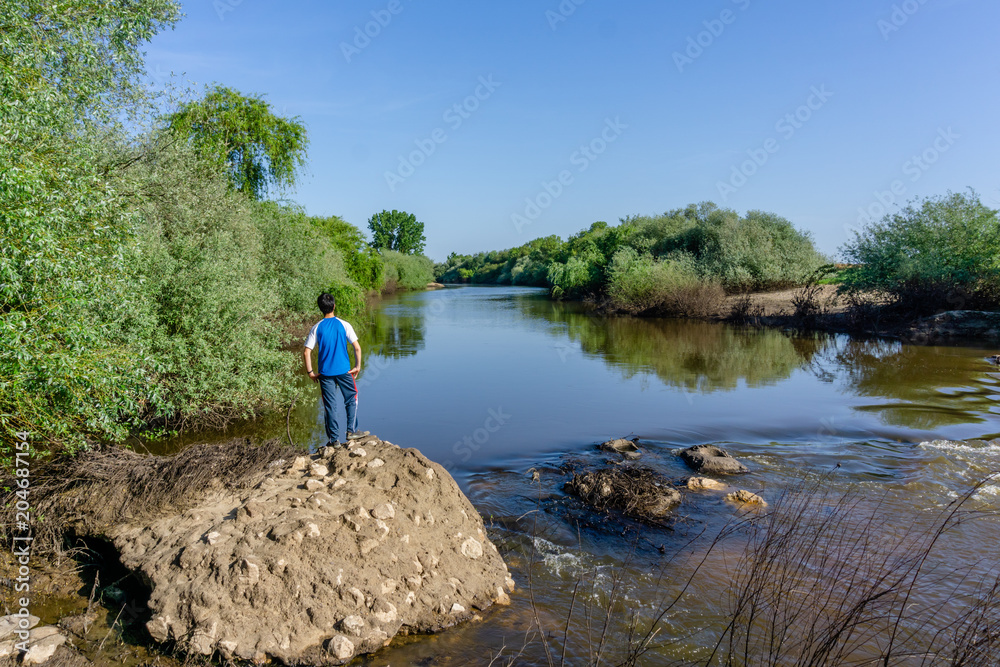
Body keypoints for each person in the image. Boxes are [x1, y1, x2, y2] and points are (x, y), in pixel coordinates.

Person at [303, 293, 365, 448]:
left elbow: (306, 352)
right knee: (352, 398)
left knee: (330, 406)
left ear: (320, 308)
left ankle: (334, 440)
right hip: (344, 372)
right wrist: (357, 366)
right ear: (334, 306)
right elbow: (357, 348)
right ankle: (351, 431)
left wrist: (310, 373)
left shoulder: (316, 327)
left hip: (325, 374)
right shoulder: (344, 324)